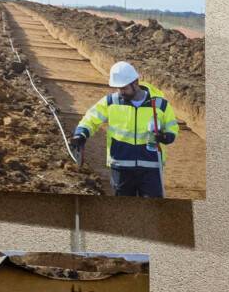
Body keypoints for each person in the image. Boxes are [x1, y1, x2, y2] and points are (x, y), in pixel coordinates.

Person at [70, 61, 180, 199]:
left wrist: (167, 136)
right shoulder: (111, 101)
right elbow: (91, 118)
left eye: (124, 88)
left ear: (135, 83)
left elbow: (172, 126)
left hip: (151, 166)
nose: (121, 92)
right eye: (118, 88)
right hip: (121, 166)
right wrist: (81, 134)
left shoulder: (159, 104)